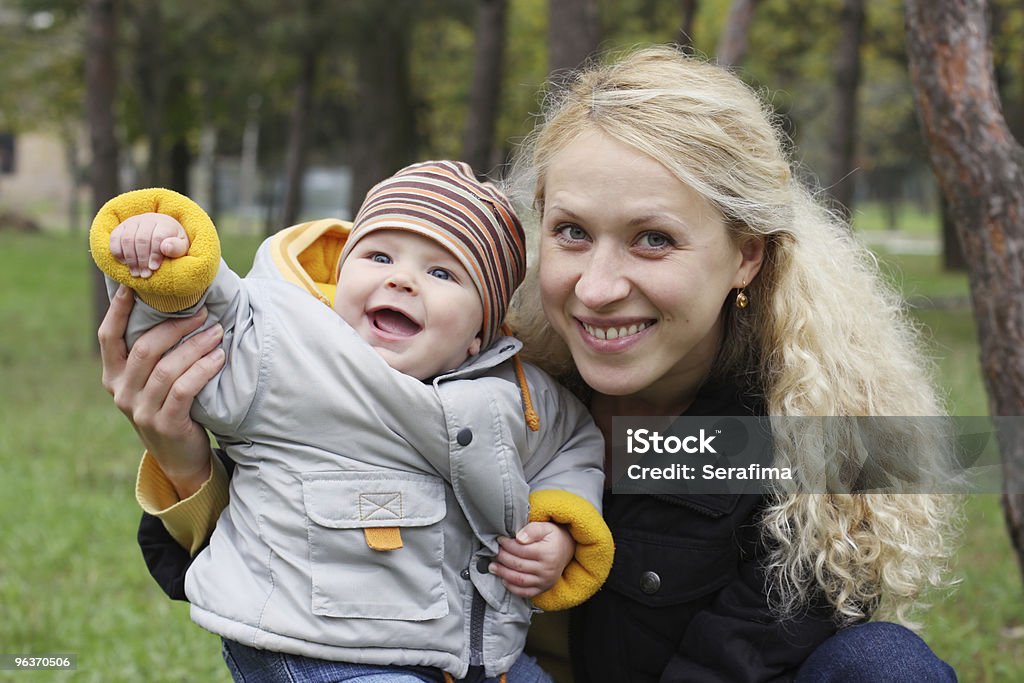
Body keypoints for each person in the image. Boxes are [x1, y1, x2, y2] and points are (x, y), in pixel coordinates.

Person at [98, 47, 960, 682]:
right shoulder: (472, 362)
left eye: (653, 239)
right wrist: (181, 457)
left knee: (885, 664)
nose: (597, 285)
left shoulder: (785, 426)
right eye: (572, 231)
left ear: (746, 256)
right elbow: (250, 567)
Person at [90, 160, 614, 683]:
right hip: (312, 647)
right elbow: (201, 315)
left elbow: (571, 445)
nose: (401, 279)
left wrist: (559, 527)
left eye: (441, 273)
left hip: (472, 658)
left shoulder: (513, 392)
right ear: (340, 280)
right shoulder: (285, 346)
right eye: (379, 255)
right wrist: (166, 250)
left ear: (481, 334)